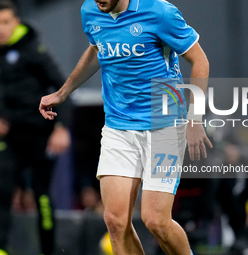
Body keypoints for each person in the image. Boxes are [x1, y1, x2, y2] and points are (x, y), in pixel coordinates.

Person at [39, 0, 212, 254]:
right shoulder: (91, 11)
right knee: (115, 221)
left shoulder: (159, 12)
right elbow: (97, 49)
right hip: (118, 127)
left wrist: (195, 118)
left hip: (164, 126)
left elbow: (200, 60)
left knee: (156, 222)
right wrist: (63, 92)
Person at [0, 1, 71, 255]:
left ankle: (48, 251)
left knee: (41, 195)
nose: (1, 28)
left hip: (40, 135)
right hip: (10, 136)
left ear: (16, 22)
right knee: (3, 190)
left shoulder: (33, 50)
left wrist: (61, 128)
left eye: (5, 22)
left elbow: (62, 90)